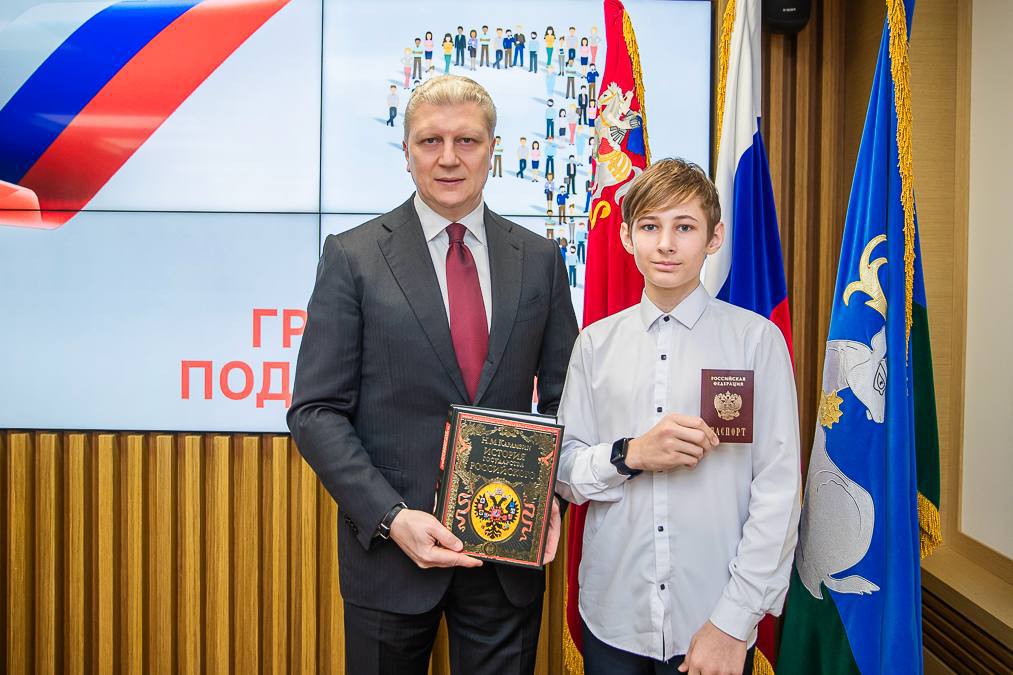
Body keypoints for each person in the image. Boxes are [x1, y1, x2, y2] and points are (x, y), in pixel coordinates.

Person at [289, 75, 578, 675]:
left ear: (493, 149)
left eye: (466, 140)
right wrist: (391, 518)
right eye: (430, 141)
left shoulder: (541, 261)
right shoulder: (353, 257)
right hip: (389, 558)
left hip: (506, 558)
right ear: (407, 152)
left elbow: (567, 400)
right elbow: (315, 411)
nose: (449, 157)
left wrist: (548, 495)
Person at [554, 158, 801, 675]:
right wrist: (631, 455)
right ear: (626, 237)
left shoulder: (756, 341)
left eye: (684, 227)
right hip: (614, 615)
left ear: (714, 237)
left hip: (712, 618)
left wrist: (733, 623)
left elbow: (778, 492)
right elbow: (566, 473)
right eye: (650, 226)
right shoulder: (595, 344)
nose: (666, 244)